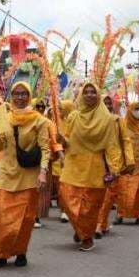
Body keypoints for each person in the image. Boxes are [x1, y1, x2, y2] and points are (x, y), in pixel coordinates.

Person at [0, 82, 49, 269]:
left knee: (25, 219)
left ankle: (20, 252)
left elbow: (45, 149)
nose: (20, 97)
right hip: (6, 173)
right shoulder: (3, 117)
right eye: (16, 94)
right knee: (1, 215)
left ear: (29, 96)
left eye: (23, 94)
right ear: (11, 96)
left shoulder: (40, 121)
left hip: (29, 176)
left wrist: (43, 172)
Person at [59, 83, 122, 251]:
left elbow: (112, 145)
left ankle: (87, 237)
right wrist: (61, 140)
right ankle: (82, 229)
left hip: (95, 168)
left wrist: (115, 168)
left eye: (92, 92)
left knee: (89, 207)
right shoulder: (73, 117)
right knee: (66, 198)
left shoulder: (107, 119)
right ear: (81, 95)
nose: (89, 95)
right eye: (85, 92)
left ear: (98, 95)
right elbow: (67, 139)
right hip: (73, 165)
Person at [95, 95, 134, 238]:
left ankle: (99, 224)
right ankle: (101, 223)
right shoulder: (93, 119)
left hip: (113, 163)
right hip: (95, 161)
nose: (106, 105)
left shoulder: (118, 121)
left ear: (113, 105)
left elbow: (125, 140)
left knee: (108, 195)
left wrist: (129, 161)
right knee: (96, 195)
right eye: (103, 102)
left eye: (109, 102)